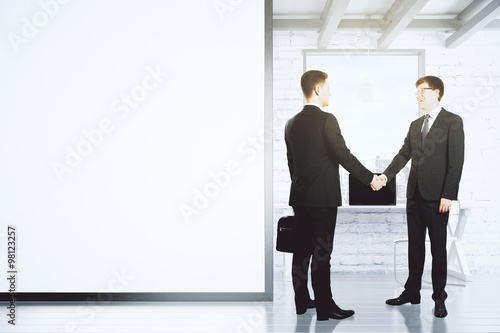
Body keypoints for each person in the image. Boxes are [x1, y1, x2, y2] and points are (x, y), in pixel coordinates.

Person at [285, 70, 382, 321]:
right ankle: (325, 309)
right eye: (328, 87)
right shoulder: (327, 120)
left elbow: (291, 163)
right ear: (317, 89)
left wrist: (302, 185)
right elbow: (344, 156)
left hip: (300, 197)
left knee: (301, 251)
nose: (330, 92)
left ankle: (302, 302)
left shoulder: (291, 123)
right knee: (321, 254)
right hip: (323, 199)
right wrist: (371, 178)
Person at [377, 75, 465, 318]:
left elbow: (456, 162)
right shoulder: (415, 124)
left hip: (438, 198)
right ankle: (411, 292)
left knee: (438, 249)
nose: (418, 95)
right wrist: (385, 176)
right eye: (416, 91)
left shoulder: (452, 121)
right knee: (415, 247)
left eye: (423, 90)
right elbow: (404, 153)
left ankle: (439, 297)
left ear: (437, 92)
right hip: (414, 194)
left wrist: (448, 195)